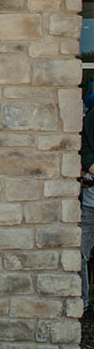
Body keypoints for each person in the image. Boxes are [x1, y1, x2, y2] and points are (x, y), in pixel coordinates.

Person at [81, 91, 94, 311]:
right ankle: (81, 302)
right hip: (90, 205)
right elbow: (84, 153)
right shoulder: (92, 118)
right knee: (79, 253)